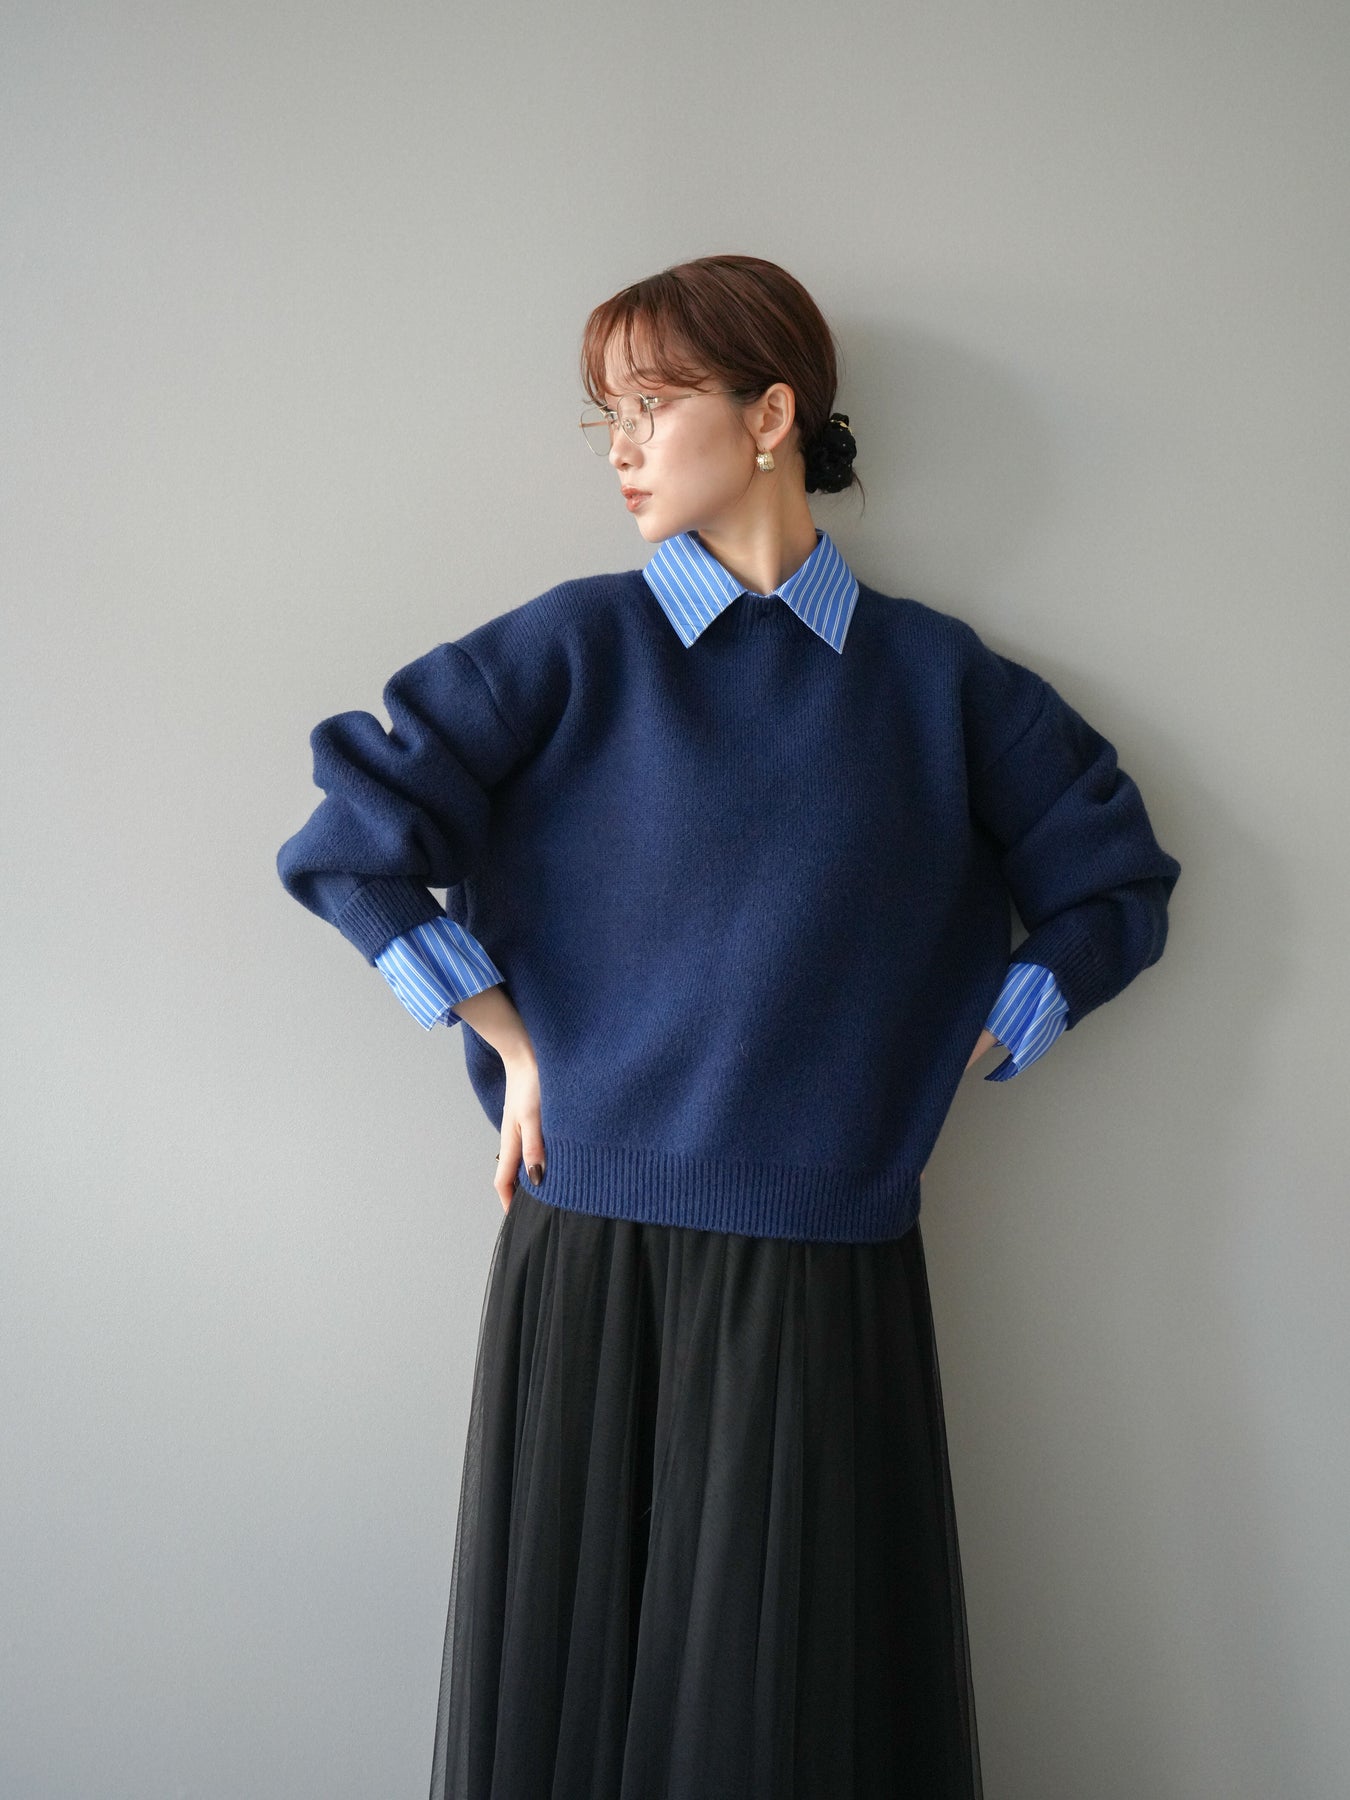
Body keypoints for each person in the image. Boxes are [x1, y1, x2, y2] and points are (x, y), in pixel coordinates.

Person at [276, 254, 1181, 1800]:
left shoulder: (935, 681)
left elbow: (1112, 886)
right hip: (587, 1247)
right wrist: (513, 1042)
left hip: (824, 1260)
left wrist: (943, 1056)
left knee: (780, 1722)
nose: (620, 449)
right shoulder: (571, 650)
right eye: (605, 417)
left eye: (651, 405)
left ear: (770, 418)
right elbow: (346, 846)